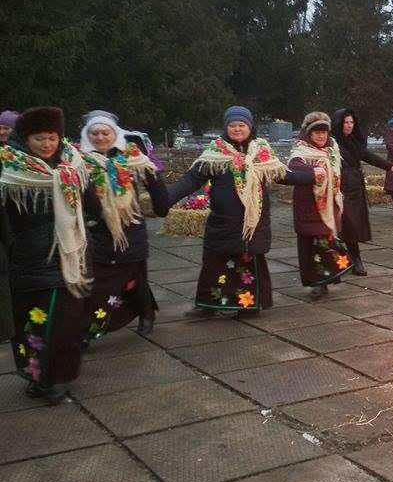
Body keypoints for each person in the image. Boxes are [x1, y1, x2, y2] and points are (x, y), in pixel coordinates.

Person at [162, 106, 316, 315]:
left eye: (241, 125)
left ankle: (249, 304)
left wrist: (313, 176)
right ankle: (208, 306)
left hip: (251, 224)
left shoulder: (261, 153)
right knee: (214, 264)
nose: (237, 129)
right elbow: (191, 180)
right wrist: (166, 198)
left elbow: (284, 175)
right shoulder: (215, 153)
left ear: (249, 127)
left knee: (248, 263)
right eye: (232, 125)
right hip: (223, 221)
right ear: (226, 128)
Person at [0, 107, 92, 403]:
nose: (47, 144)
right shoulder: (9, 171)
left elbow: (91, 201)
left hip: (68, 260)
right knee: (33, 323)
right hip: (28, 260)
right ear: (25, 138)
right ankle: (40, 377)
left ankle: (52, 378)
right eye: (39, 138)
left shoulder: (72, 166)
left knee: (64, 324)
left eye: (52, 137)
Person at [80, 110, 168, 341]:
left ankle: (145, 313)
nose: (100, 137)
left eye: (105, 132)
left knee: (135, 276)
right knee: (101, 281)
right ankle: (91, 327)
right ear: (87, 136)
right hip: (99, 230)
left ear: (115, 133)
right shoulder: (79, 162)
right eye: (95, 133)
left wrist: (162, 205)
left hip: (131, 227)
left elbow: (153, 178)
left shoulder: (132, 156)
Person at [288, 112, 354, 300]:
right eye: (316, 132)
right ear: (308, 133)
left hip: (329, 205)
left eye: (324, 132)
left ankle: (326, 279)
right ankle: (315, 283)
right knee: (310, 247)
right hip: (308, 206)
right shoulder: (301, 151)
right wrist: (314, 172)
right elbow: (294, 169)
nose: (321, 136)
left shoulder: (333, 150)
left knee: (326, 243)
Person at [332, 109, 393, 276]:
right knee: (339, 227)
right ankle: (343, 261)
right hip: (337, 189)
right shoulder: (332, 143)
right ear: (339, 123)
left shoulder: (354, 141)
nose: (349, 125)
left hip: (355, 189)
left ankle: (354, 260)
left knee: (352, 226)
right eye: (345, 122)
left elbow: (368, 156)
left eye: (351, 122)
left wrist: (389, 166)